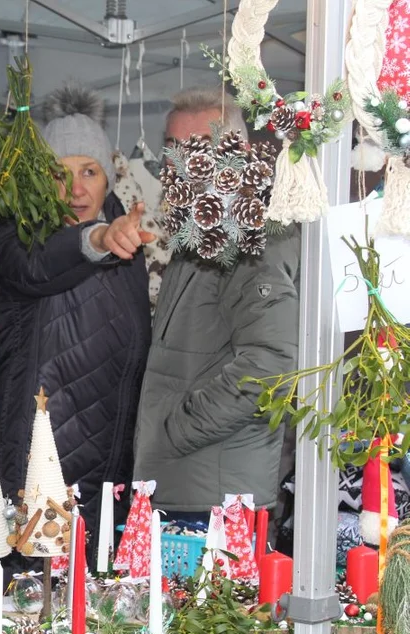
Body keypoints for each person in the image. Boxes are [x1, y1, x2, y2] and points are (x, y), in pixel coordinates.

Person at [0, 85, 152, 560]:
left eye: (89, 171)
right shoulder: (16, 238)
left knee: (98, 607)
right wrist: (97, 239)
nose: (77, 189)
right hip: (40, 461)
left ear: (108, 178)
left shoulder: (128, 236)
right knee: (36, 606)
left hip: (111, 466)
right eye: (61, 174)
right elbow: (39, 266)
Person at [134, 87, 300, 521]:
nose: (182, 166)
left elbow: (272, 364)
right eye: (172, 151)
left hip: (219, 499)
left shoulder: (251, 237)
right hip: (187, 486)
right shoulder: (200, 233)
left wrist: (176, 431)